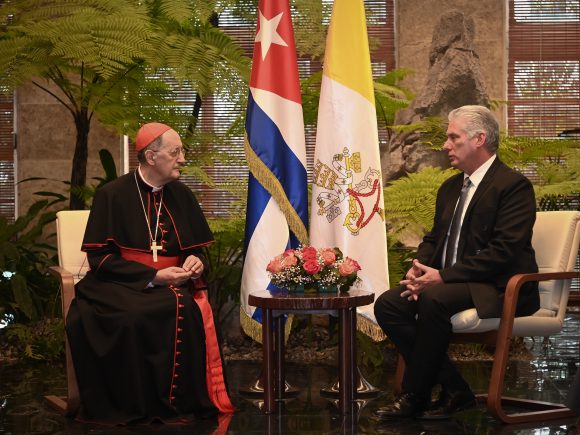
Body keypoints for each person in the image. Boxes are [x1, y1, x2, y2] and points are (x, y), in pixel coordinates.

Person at [374, 105, 540, 420]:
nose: (445, 145)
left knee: (435, 298)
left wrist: (443, 277)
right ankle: (456, 389)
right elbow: (434, 239)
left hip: (497, 286)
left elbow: (503, 252)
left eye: (453, 137)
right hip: (452, 282)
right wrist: (419, 267)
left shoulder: (513, 186)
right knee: (389, 304)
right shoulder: (451, 187)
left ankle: (415, 396)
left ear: (479, 139)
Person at [65, 122, 234, 425]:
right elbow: (100, 258)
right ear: (152, 157)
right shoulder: (112, 194)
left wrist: (194, 260)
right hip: (118, 282)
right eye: (176, 152)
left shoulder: (181, 195)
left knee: (180, 306)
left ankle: (177, 403)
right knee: (134, 315)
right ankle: (137, 405)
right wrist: (153, 276)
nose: (183, 158)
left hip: (173, 283)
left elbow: (195, 250)